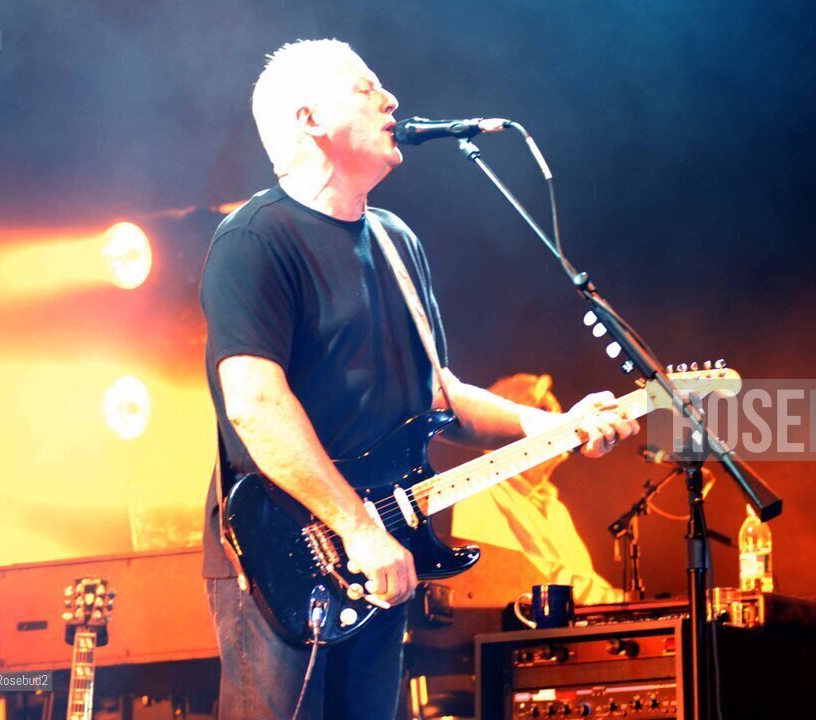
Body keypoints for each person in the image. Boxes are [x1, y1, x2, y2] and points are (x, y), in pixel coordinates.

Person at [198, 39, 639, 720]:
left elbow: (438, 394)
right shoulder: (256, 239)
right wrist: (356, 530)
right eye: (365, 87)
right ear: (310, 118)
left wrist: (552, 426)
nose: (391, 100)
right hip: (282, 550)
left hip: (383, 542)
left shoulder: (397, 241)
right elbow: (255, 406)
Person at [451, 373, 623, 605]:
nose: (558, 420)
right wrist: (619, 601)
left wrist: (625, 602)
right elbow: (528, 582)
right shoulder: (479, 499)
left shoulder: (554, 507)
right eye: (543, 410)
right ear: (502, 430)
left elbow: (579, 581)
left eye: (556, 412)